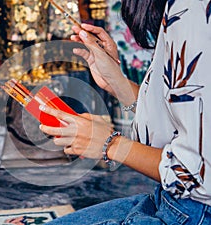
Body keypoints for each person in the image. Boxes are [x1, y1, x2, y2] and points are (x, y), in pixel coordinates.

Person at [39, 0, 211, 224]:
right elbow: (172, 130)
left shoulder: (191, 8)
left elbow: (196, 175)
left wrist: (110, 144)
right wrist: (116, 82)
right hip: (174, 202)